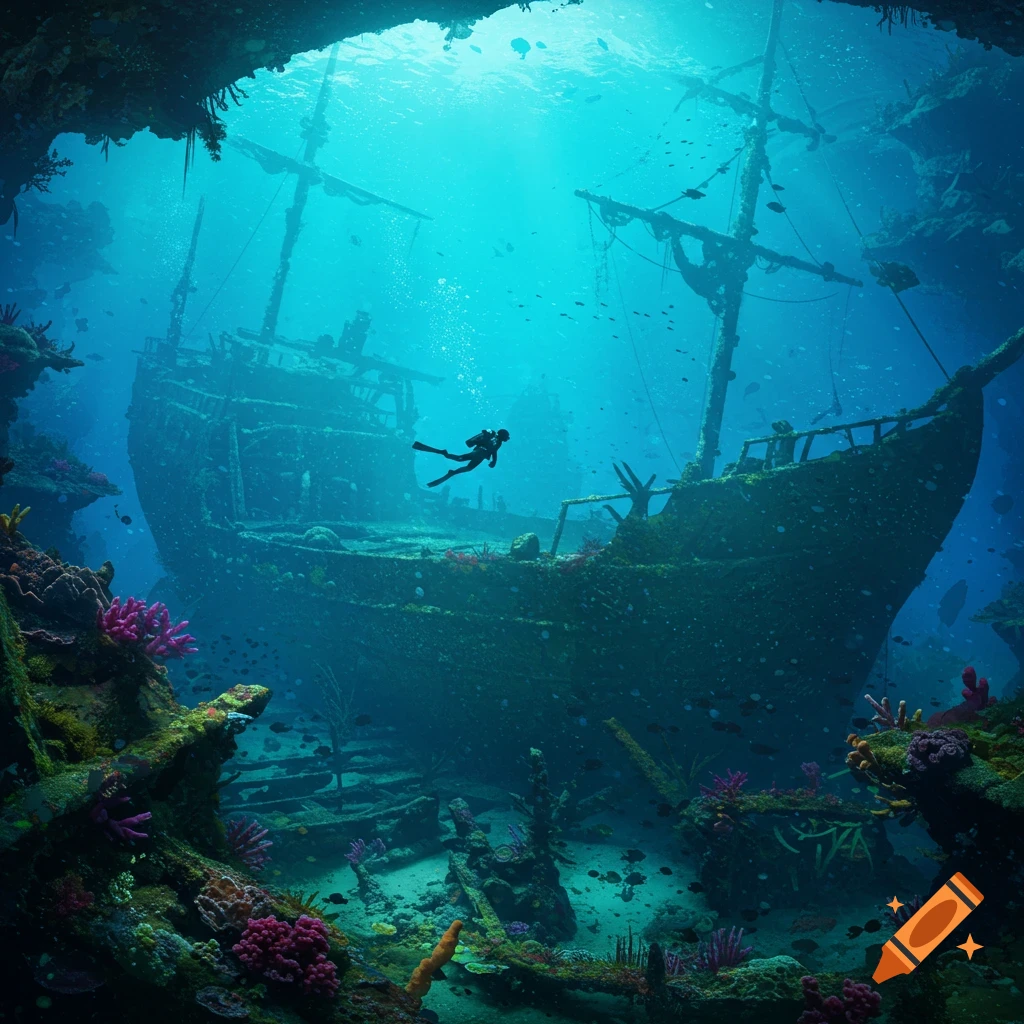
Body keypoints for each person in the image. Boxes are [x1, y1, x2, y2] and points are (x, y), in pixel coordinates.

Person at [412, 428, 510, 488]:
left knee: (468, 468)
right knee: (459, 459)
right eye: (507, 436)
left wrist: (494, 461)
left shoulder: (499, 443)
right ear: (503, 435)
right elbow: (488, 442)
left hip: (481, 456)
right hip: (478, 453)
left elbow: (494, 451)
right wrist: (493, 461)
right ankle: (443, 454)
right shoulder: (493, 437)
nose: (507, 438)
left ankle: (452, 471)